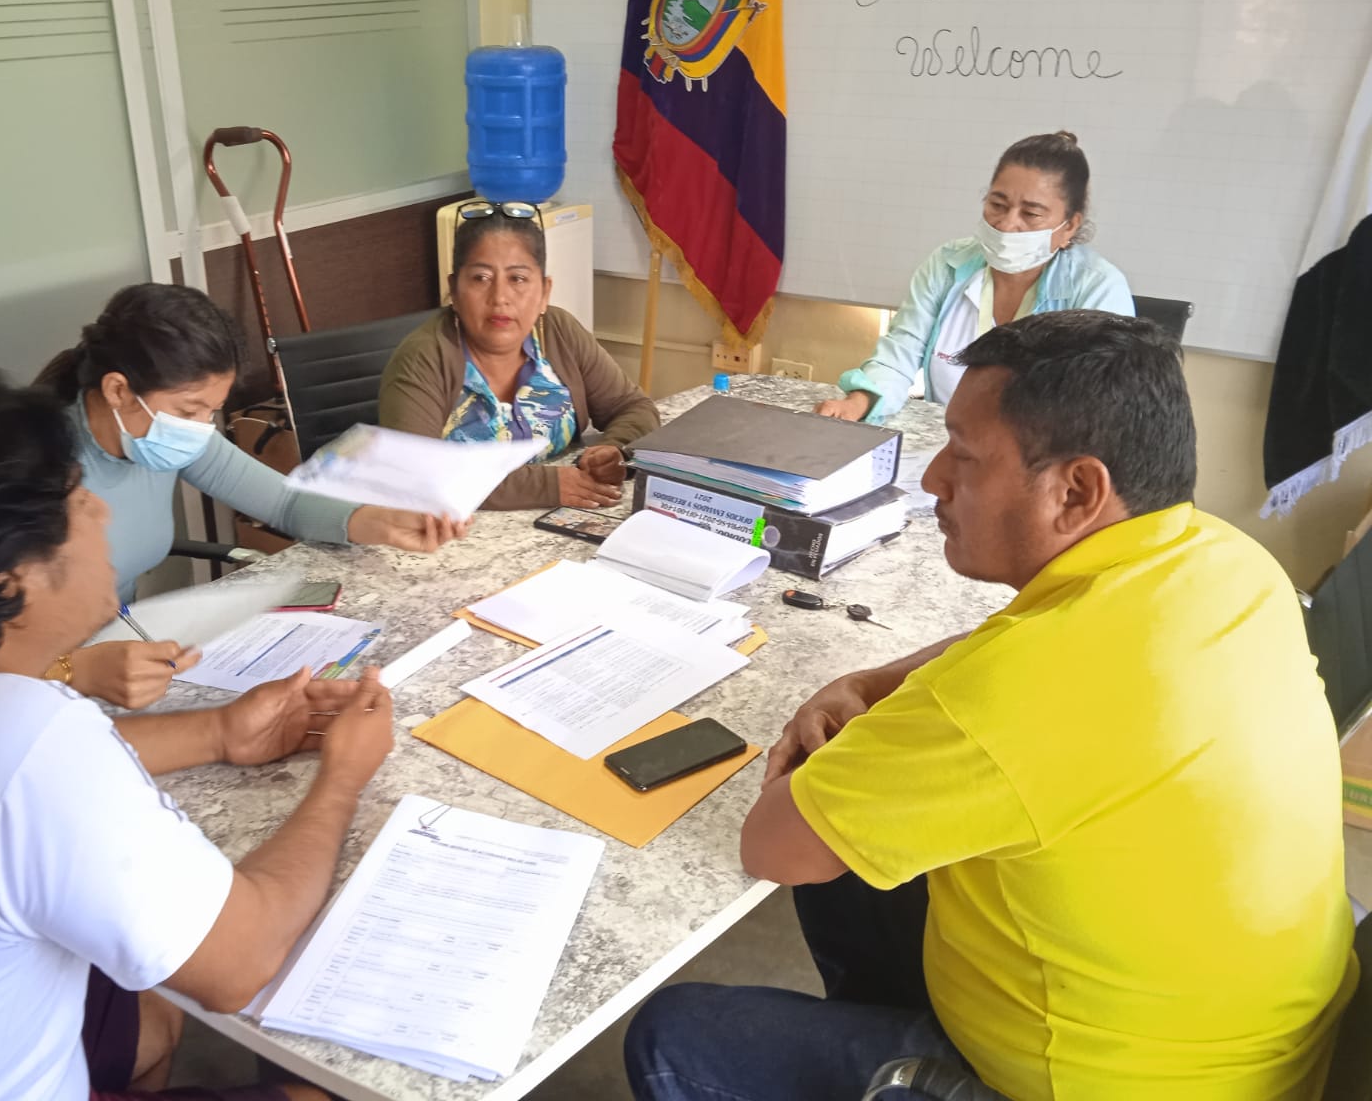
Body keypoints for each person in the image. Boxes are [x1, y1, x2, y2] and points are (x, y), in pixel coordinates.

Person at [626, 312, 1357, 1100]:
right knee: (859, 863)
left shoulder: (1015, 694)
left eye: (965, 456)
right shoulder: (1225, 561)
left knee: (673, 1036)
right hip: (1247, 1049)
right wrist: (876, 683)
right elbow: (1013, 641)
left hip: (1104, 1083)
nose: (934, 479)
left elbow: (774, 848)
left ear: (1076, 491)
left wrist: (845, 757)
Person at [0, 368, 395, 1101]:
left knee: (147, 1011)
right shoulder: (23, 737)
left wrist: (221, 731)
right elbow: (243, 959)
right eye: (76, 499)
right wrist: (341, 779)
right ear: (7, 579)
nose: (100, 509)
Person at [35, 283, 466, 709]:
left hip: (124, 659)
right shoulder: (33, 467)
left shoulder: (161, 435)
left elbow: (284, 502)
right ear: (118, 390)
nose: (201, 427)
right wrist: (75, 669)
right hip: (41, 680)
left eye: (211, 411)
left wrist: (380, 521)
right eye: (189, 410)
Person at [815, 131, 1134, 424]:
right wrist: (860, 402)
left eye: (1031, 214)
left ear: (1069, 226)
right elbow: (901, 350)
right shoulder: (948, 264)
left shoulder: (1098, 289)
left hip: (1037, 456)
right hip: (948, 440)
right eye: (998, 205)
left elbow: (1093, 408)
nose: (1007, 224)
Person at [379, 203, 660, 510]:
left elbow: (634, 407)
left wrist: (614, 449)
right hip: (460, 529)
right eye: (480, 278)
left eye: (518, 279)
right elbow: (417, 473)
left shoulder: (558, 331)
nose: (500, 297)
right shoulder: (423, 358)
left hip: (553, 520)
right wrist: (549, 486)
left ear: (544, 292)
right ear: (454, 291)